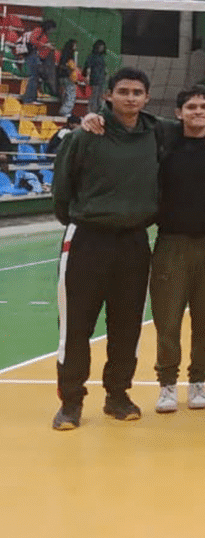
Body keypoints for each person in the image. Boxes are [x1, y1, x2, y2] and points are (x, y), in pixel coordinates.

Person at [49, 67, 159, 430]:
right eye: (123, 91)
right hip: (87, 239)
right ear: (108, 95)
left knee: (127, 324)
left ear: (146, 98)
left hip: (134, 242)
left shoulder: (156, 132)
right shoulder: (85, 134)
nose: (131, 97)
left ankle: (118, 395)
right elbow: (62, 187)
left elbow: (202, 124)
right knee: (76, 325)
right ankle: (71, 403)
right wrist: (81, 219)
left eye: (137, 92)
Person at [148, 86, 205, 412]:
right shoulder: (165, 141)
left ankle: (198, 380)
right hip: (172, 242)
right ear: (178, 113)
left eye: (204, 107)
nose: (197, 111)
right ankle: (167, 384)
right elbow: (134, 120)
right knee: (167, 319)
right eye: (191, 107)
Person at [18, 18, 56, 104]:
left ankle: (32, 97)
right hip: (32, 55)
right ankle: (29, 98)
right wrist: (45, 45)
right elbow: (33, 40)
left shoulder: (44, 33)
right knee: (33, 77)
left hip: (37, 56)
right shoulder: (39, 30)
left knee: (35, 78)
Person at [82, 39, 108, 115]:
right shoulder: (92, 57)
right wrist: (88, 76)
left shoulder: (101, 57)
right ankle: (92, 111)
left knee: (99, 96)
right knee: (94, 96)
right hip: (95, 78)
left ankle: (97, 111)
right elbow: (88, 67)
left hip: (101, 79)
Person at [54, 39, 79, 115]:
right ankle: (65, 111)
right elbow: (67, 66)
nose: (75, 47)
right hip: (68, 77)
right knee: (71, 95)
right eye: (74, 45)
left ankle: (64, 110)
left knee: (65, 95)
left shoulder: (63, 54)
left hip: (61, 77)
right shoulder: (69, 55)